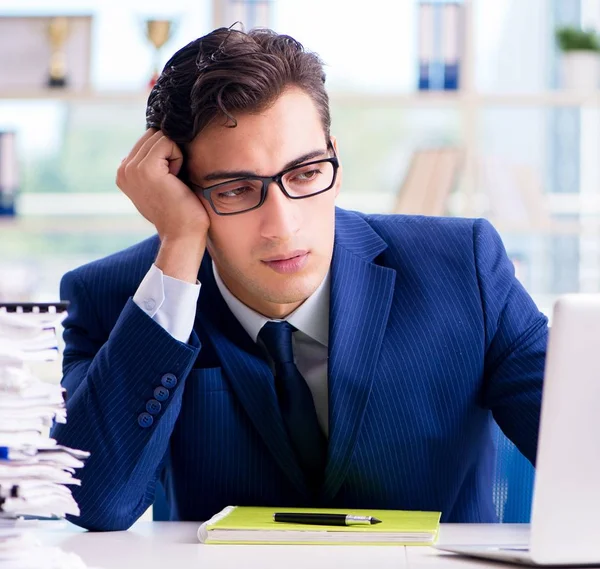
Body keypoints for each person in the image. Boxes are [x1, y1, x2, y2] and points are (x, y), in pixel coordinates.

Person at [52, 27, 548, 532]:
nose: (283, 226)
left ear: (334, 154)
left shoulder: (465, 270)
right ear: (180, 191)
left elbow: (581, 449)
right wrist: (179, 245)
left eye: (306, 173)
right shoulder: (121, 300)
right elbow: (96, 501)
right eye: (237, 189)